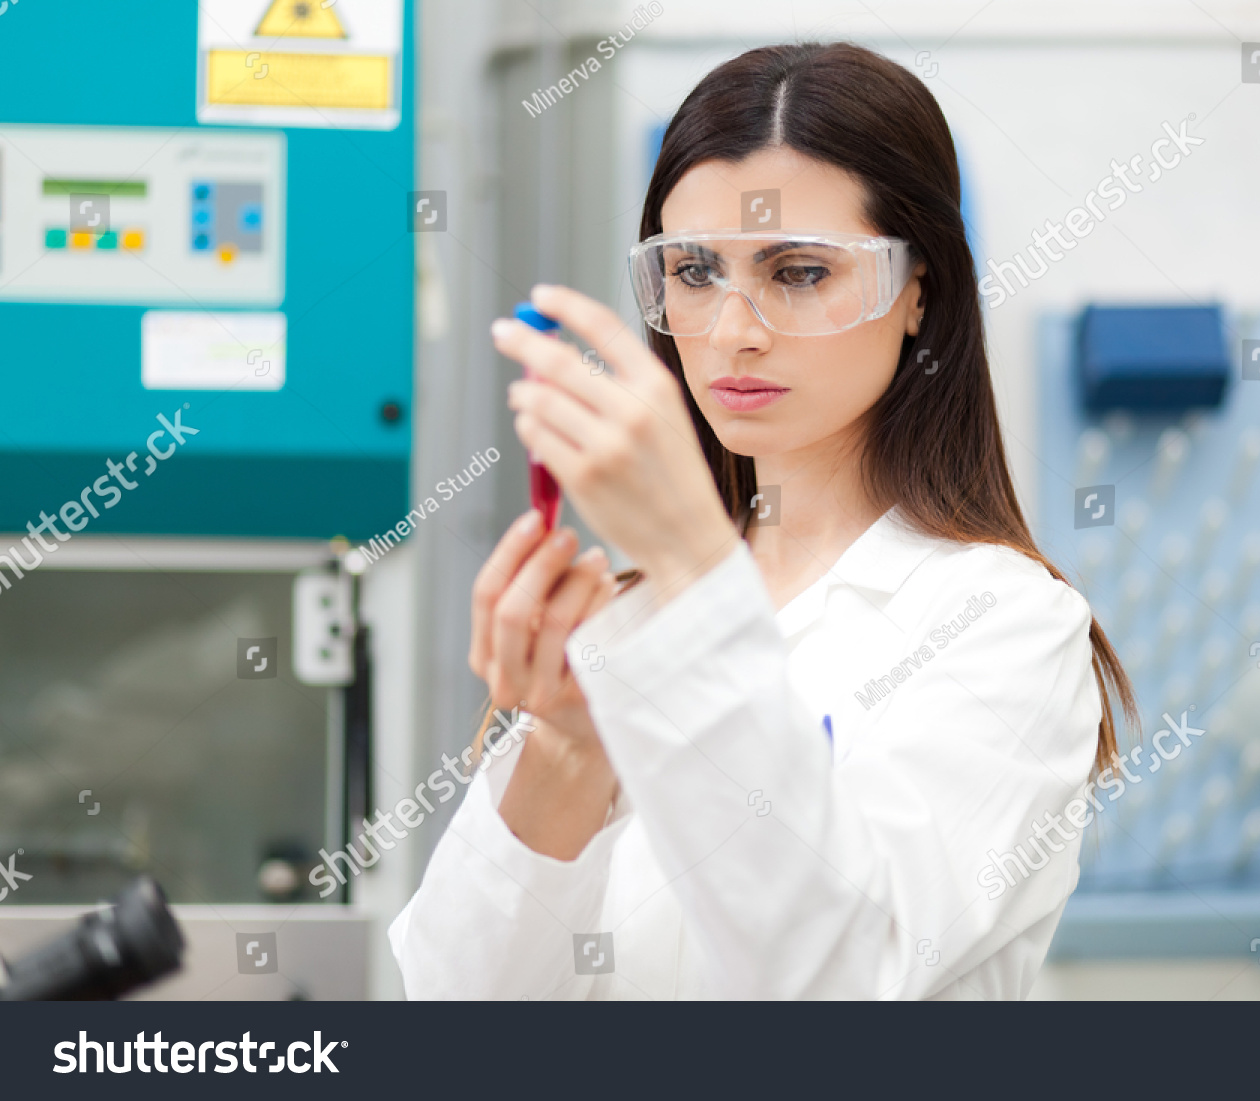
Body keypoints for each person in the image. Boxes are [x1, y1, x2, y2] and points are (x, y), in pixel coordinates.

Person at [389, 41, 1135, 999]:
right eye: (694, 271)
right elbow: (456, 1002)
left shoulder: (1005, 627)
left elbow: (845, 981)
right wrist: (571, 748)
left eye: (799, 272)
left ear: (919, 294)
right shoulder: (625, 618)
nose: (735, 327)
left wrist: (694, 567)